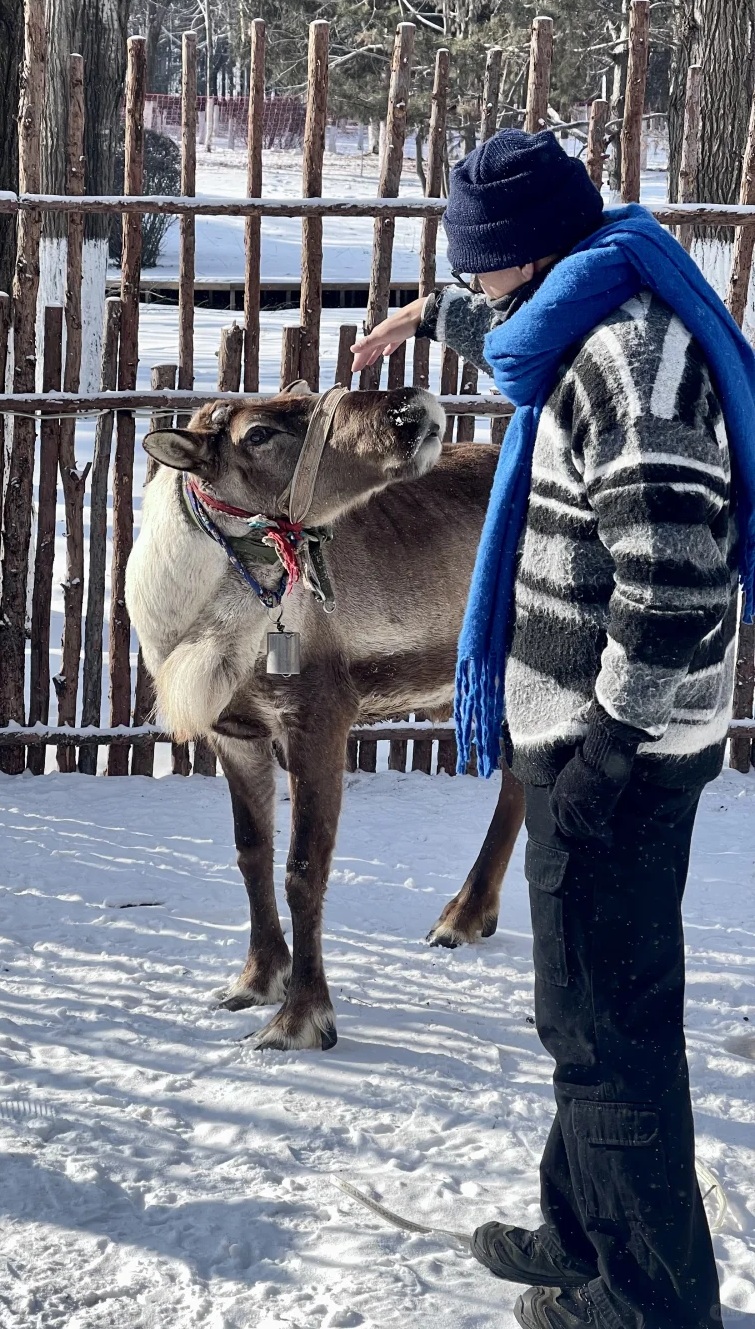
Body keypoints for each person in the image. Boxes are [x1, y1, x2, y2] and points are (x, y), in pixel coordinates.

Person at [353, 129, 755, 1329]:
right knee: (587, 1011)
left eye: (474, 268)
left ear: (522, 259)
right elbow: (525, 347)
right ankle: (584, 1231)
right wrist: (429, 319)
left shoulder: (631, 364)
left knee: (608, 1034)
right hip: (600, 746)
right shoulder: (592, 313)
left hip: (615, 759)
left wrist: (606, 761)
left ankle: (642, 1302)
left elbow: (678, 580)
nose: (473, 289)